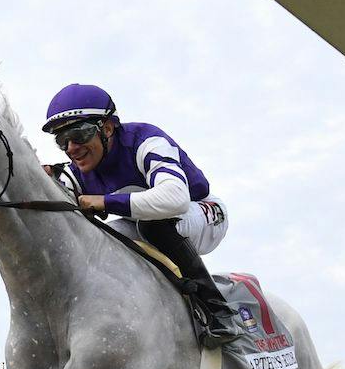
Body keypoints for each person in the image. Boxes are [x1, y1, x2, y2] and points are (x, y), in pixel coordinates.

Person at [42, 84, 238, 347]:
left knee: (153, 225)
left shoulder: (145, 140)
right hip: (148, 222)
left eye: (79, 134)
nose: (71, 148)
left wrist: (105, 201)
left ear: (107, 128)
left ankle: (218, 311)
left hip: (202, 212)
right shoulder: (77, 170)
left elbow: (175, 199)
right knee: (106, 241)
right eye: (62, 140)